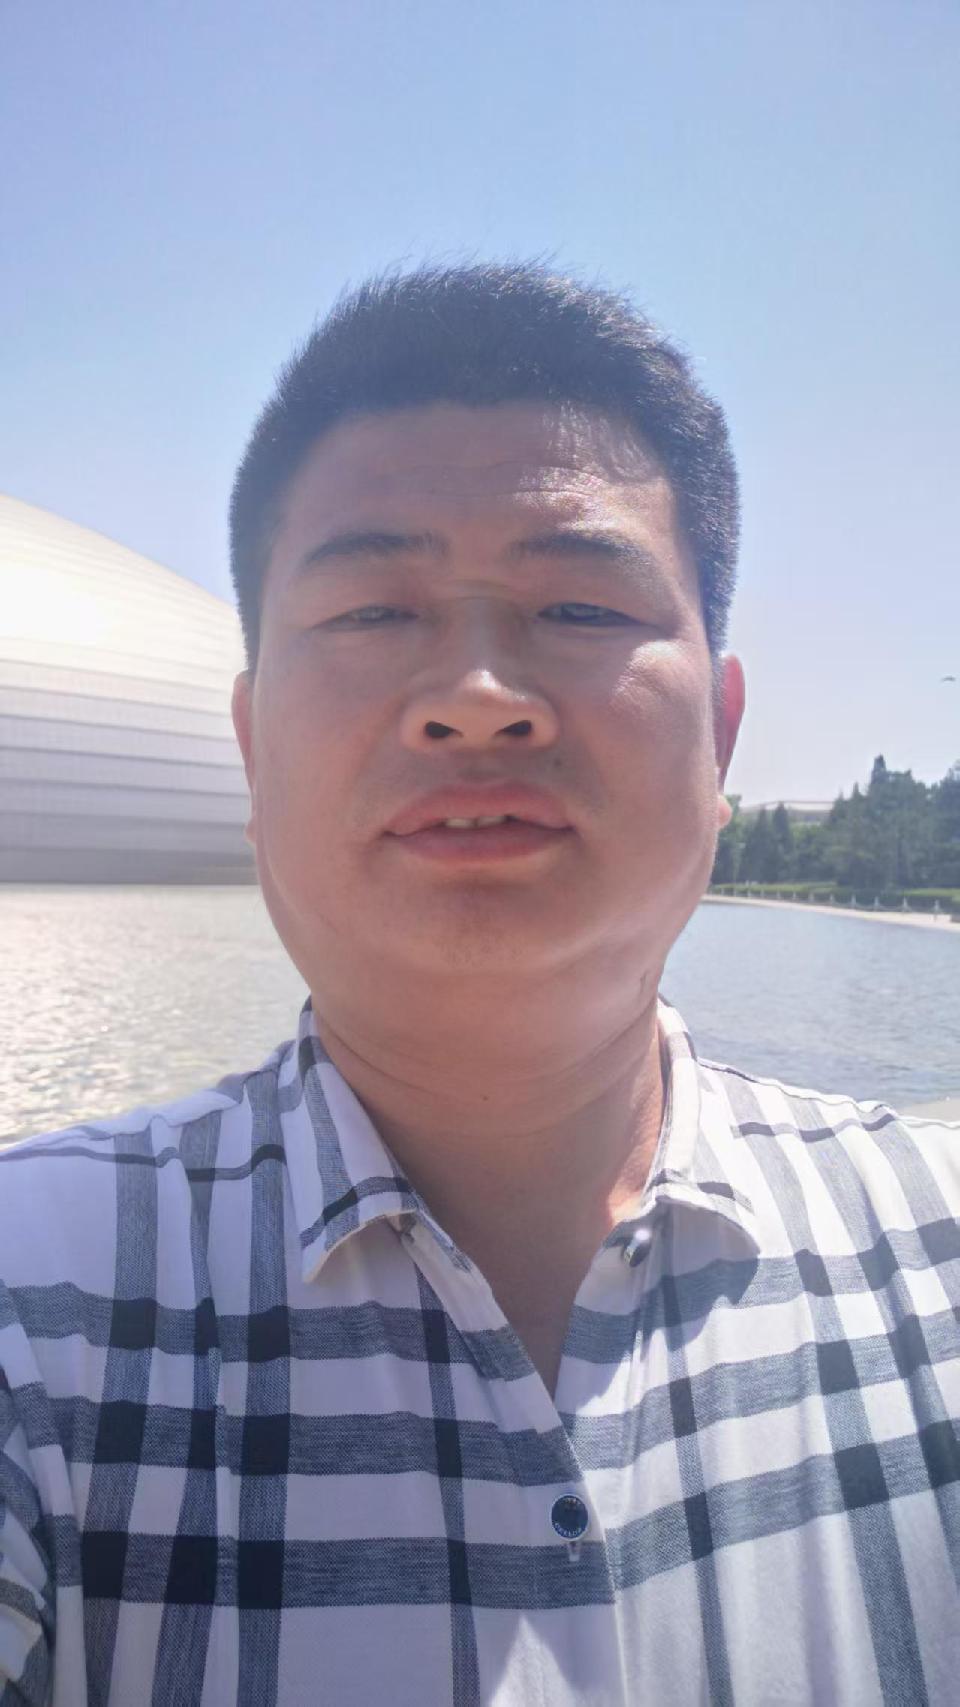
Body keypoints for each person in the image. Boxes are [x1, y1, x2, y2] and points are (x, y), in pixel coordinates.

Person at [1, 264, 958, 1706]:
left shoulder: (936, 1253)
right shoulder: (36, 1305)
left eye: (576, 603)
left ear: (722, 734)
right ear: (253, 747)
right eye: (371, 612)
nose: (477, 696)